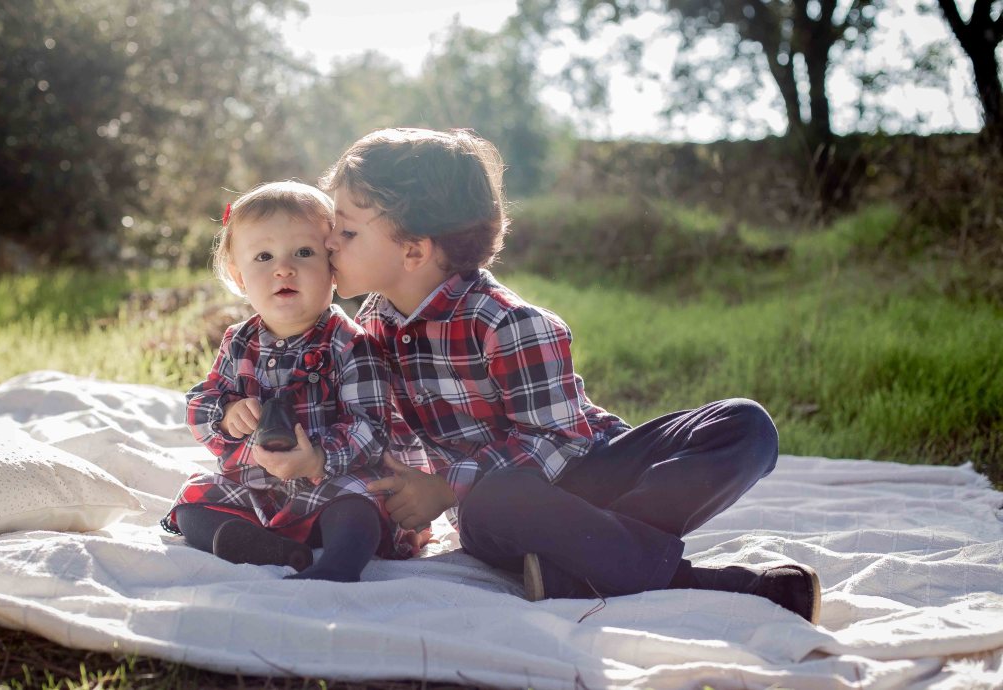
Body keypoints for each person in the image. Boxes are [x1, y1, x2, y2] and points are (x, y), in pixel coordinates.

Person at [317, 128, 821, 622]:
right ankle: (672, 574)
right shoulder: (373, 325)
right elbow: (392, 438)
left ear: (414, 251)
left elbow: (557, 439)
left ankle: (579, 570)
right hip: (506, 518)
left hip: (589, 476)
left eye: (347, 230)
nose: (329, 242)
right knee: (497, 497)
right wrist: (409, 511)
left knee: (746, 425)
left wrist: (444, 486)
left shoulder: (509, 324)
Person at [161, 180, 430, 582]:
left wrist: (317, 459)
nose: (283, 268)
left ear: (333, 266)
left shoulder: (352, 344)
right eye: (264, 256)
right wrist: (227, 413)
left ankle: (337, 566)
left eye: (303, 253)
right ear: (238, 275)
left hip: (332, 485)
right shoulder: (239, 341)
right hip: (259, 488)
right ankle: (264, 547)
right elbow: (200, 402)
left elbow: (369, 428)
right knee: (192, 503)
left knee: (358, 506)